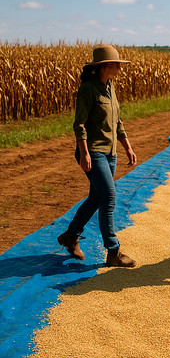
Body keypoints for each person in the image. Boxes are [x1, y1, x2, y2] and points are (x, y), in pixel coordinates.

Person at [57, 45, 137, 267]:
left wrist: (127, 147)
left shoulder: (110, 86)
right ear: (105, 66)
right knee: (109, 197)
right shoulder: (88, 90)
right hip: (93, 153)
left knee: (96, 198)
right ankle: (113, 251)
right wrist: (84, 153)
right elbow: (79, 125)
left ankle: (70, 236)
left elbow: (117, 122)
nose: (121, 66)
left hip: (110, 153)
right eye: (117, 63)